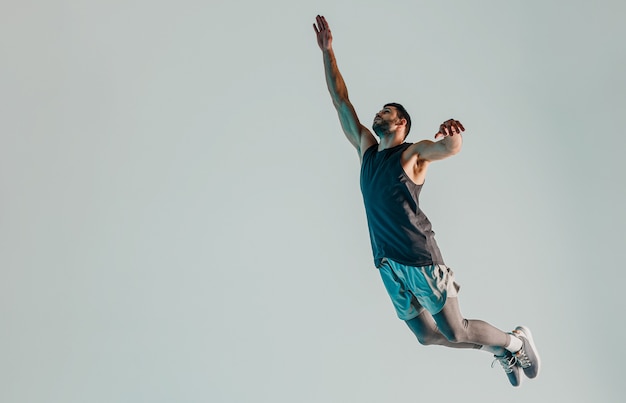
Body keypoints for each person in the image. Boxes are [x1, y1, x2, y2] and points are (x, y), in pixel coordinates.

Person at [313, 15, 540, 387]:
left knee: (454, 328)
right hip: (386, 262)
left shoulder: (411, 154)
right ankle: (499, 351)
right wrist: (328, 52)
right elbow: (341, 100)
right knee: (426, 335)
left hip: (417, 256)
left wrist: (453, 137)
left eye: (387, 111)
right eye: (379, 111)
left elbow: (446, 148)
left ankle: (515, 341)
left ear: (401, 123)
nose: (378, 114)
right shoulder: (366, 150)